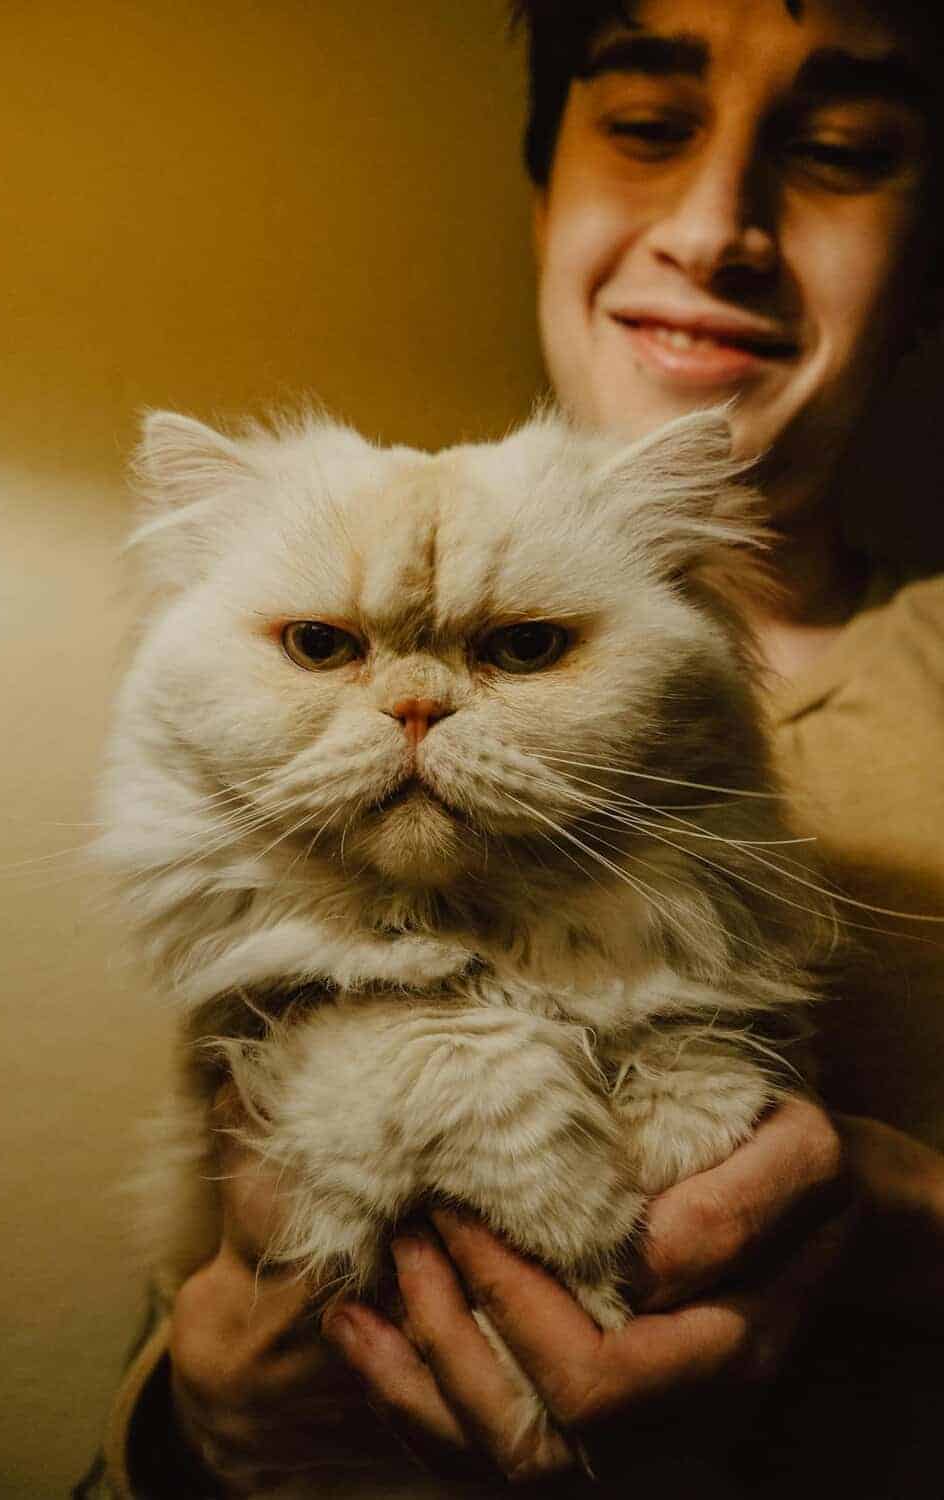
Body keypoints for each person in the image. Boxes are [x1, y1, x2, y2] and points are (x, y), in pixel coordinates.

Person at [84, 1, 944, 1494]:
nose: (715, 227)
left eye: (844, 151)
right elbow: (210, 1328)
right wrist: (197, 1411)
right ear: (547, 182)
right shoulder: (313, 811)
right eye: (650, 126)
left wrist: (884, 1204)